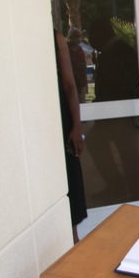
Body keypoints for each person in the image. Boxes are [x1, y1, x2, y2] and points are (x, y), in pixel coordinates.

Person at [53, 29, 88, 242]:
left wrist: (76, 125)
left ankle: (75, 243)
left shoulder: (55, 38)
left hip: (61, 120)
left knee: (70, 183)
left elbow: (69, 84)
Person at [66, 28, 88, 103]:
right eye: (76, 36)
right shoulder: (66, 49)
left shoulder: (80, 49)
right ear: (71, 37)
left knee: (82, 102)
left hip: (81, 81)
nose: (79, 39)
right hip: (71, 81)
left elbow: (83, 65)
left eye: (79, 36)